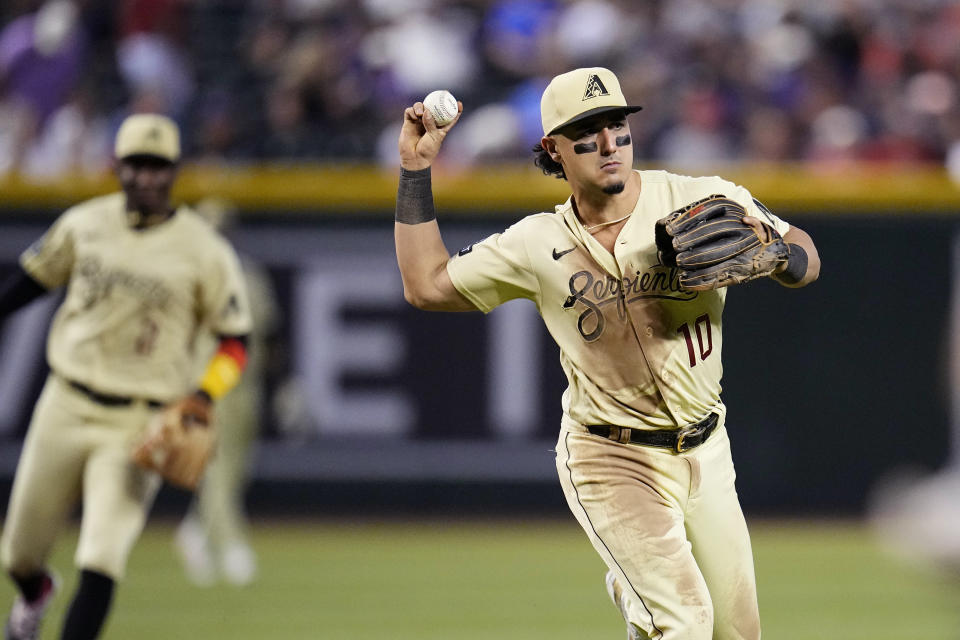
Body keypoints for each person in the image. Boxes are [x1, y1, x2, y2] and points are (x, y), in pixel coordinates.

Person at [393, 67, 819, 640]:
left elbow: (804, 250)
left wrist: (778, 258)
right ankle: (642, 584)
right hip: (610, 457)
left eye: (617, 126)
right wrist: (416, 171)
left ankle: (637, 590)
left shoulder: (696, 197)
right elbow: (426, 284)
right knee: (685, 621)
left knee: (736, 634)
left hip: (706, 449)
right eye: (587, 133)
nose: (609, 144)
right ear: (553, 150)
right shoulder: (535, 243)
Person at [0, 113, 252, 640]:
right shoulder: (84, 223)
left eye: (158, 166)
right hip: (64, 406)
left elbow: (235, 341)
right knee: (18, 553)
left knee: (102, 558)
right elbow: (31, 280)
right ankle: (35, 590)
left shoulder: (204, 249)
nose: (147, 177)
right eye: (137, 164)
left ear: (175, 172)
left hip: (138, 422)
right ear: (117, 167)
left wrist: (206, 394)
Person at [174, 198, 279, 588]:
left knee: (238, 468)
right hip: (210, 384)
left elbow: (268, 335)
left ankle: (194, 532)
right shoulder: (189, 278)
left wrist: (281, 385)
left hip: (246, 383)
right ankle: (232, 547)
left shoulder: (248, 274)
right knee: (217, 469)